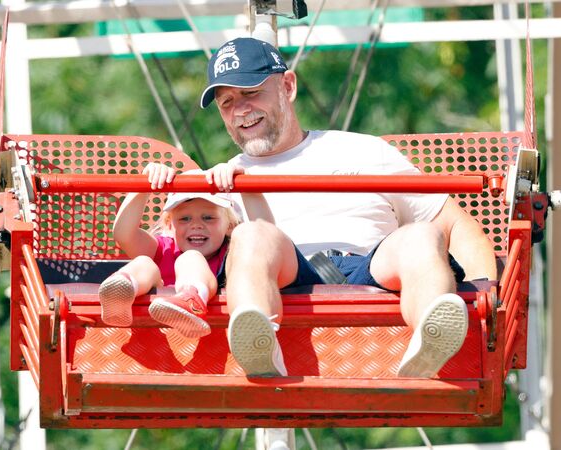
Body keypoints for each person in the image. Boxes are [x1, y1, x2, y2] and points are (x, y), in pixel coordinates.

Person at [200, 37, 497, 378]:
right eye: (227, 102)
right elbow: (173, 245)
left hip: (371, 268)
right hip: (287, 277)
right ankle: (257, 340)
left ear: (288, 85)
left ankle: (430, 337)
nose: (241, 110)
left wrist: (488, 298)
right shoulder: (221, 180)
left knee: (422, 235)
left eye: (252, 93)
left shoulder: (364, 152)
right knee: (252, 235)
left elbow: (455, 224)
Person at [98, 163, 274, 340]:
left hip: (207, 325)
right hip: (152, 323)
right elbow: (124, 234)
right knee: (143, 262)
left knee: (190, 258)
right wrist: (144, 184)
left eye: (208, 217)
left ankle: (191, 298)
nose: (196, 225)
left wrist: (250, 187)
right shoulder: (162, 249)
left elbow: (265, 236)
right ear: (169, 225)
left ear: (229, 225)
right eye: (184, 218)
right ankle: (121, 287)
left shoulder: (232, 254)